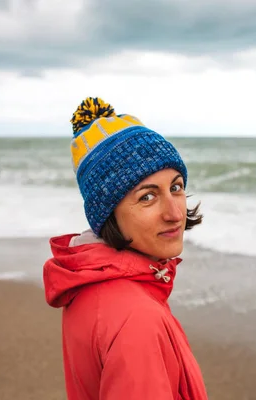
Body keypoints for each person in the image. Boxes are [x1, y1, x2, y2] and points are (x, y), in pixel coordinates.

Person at [43, 97, 208, 400]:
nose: (174, 213)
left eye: (176, 187)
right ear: (108, 212)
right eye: (147, 197)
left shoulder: (89, 282)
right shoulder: (136, 319)